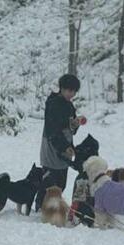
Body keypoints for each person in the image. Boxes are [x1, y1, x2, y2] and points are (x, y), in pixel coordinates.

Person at [36, 74, 84, 211]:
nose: (72, 94)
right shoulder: (53, 104)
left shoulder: (69, 105)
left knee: (61, 183)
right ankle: (40, 206)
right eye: (69, 91)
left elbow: (71, 127)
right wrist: (64, 147)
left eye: (74, 91)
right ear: (62, 88)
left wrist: (76, 123)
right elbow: (52, 131)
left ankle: (53, 206)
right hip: (53, 148)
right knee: (49, 181)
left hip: (65, 148)